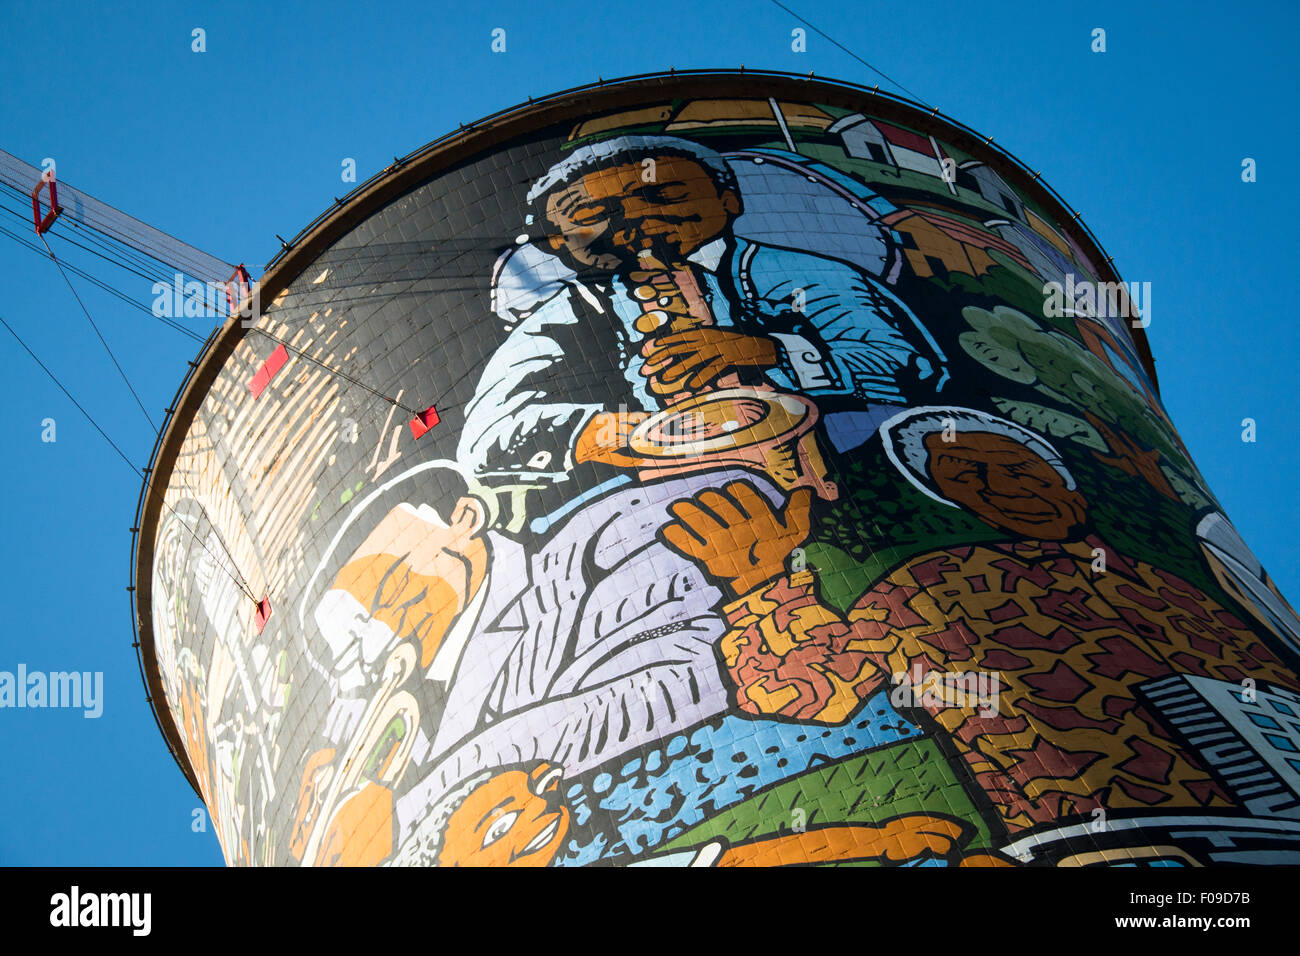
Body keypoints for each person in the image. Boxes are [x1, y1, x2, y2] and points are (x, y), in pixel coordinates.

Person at [657, 407, 1300, 836]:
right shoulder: (936, 584)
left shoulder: (1176, 592)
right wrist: (761, 585)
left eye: (1019, 470)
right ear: (948, 496)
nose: (999, 486)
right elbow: (810, 692)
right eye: (965, 475)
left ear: (1070, 489)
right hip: (1104, 845)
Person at [459, 134, 946, 487]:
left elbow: (909, 366)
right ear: (561, 244)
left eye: (662, 194)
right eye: (591, 215)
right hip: (663, 497)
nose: (633, 219)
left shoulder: (799, 274)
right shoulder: (570, 312)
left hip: (852, 463)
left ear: (729, 200)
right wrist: (613, 432)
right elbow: (484, 435)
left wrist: (768, 352)